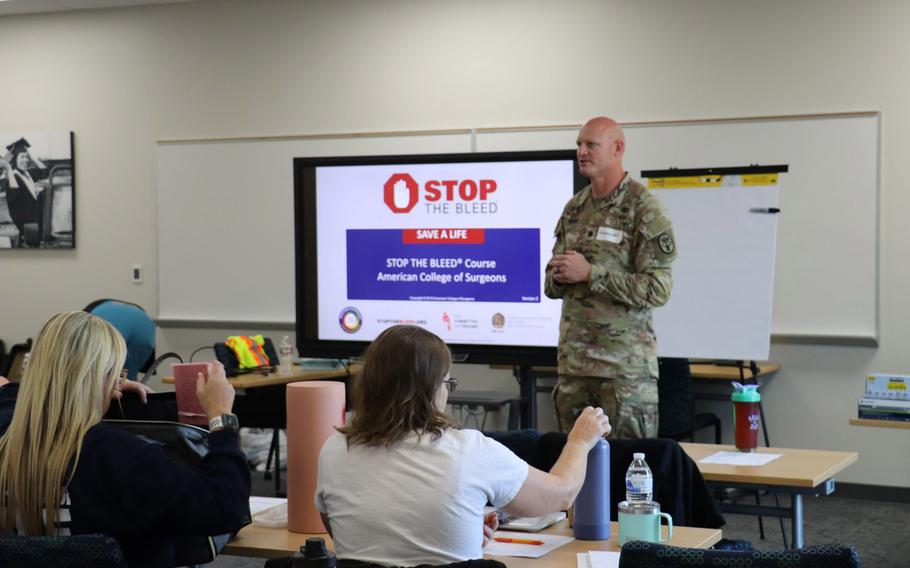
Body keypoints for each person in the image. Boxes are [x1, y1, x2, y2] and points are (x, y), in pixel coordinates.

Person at [315, 325, 611, 566]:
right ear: (431, 389)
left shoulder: (333, 451)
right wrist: (581, 441)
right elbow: (561, 495)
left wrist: (456, 529)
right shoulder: (469, 450)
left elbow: (347, 533)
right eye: (447, 383)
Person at [0, 311, 250, 568]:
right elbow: (224, 507)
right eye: (116, 374)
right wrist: (221, 417)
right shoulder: (121, 457)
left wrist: (102, 381)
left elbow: (7, 391)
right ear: (101, 378)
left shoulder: (6, 430)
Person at [545, 117, 678, 439]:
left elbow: (658, 289)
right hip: (574, 369)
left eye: (591, 144)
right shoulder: (574, 208)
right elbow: (551, 283)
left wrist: (591, 275)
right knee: (576, 474)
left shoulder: (642, 208)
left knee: (627, 473)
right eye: (579, 144)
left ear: (617, 149)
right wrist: (560, 277)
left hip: (624, 374)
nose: (581, 152)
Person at [84, 299, 157, 381]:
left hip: (112, 329)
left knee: (96, 379)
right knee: (128, 380)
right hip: (146, 326)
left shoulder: (86, 317)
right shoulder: (102, 306)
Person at [0, 138, 47, 247]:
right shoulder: (14, 177)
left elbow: (44, 171)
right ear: (15, 159)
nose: (25, 160)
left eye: (27, 158)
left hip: (35, 226)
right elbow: (13, 195)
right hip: (26, 232)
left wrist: (31, 156)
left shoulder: (27, 174)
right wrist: (8, 168)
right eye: (22, 157)